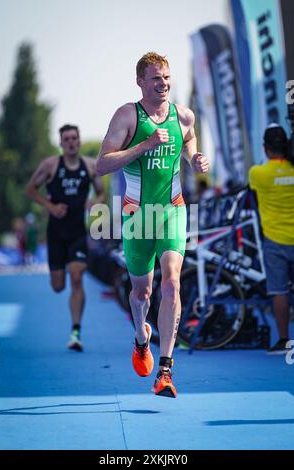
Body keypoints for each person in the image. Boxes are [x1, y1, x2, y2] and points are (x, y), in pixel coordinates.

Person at [97, 52, 209, 397]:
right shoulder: (128, 115)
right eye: (156, 78)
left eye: (166, 77)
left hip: (173, 211)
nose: (163, 84)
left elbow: (188, 141)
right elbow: (102, 164)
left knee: (172, 283)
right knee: (141, 292)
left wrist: (195, 157)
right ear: (140, 82)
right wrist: (145, 144)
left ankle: (165, 370)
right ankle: (141, 338)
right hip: (137, 216)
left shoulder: (183, 115)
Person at [26, 124, 105, 351]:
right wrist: (50, 206)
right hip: (56, 234)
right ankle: (74, 326)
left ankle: (75, 331)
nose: (71, 142)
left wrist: (96, 202)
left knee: (77, 277)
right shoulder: (51, 165)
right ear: (61, 143)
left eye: (74, 138)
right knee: (59, 286)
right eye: (66, 139)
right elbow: (31, 189)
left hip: (78, 232)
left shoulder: (90, 167)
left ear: (79, 141)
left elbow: (101, 191)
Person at [249, 123, 294, 354]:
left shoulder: (258, 173)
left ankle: (284, 340)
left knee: (279, 291)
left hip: (275, 240)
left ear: (266, 149)